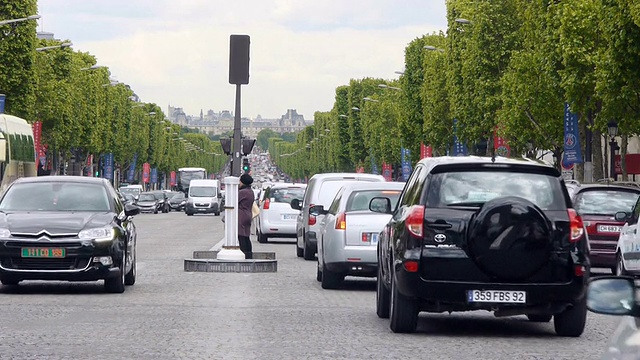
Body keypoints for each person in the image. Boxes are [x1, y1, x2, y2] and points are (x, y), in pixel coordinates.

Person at [238, 174, 254, 259]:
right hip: (248, 214)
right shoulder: (250, 191)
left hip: (241, 216)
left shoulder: (242, 192)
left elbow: (234, 200)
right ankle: (249, 254)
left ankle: (244, 254)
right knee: (246, 236)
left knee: (241, 236)